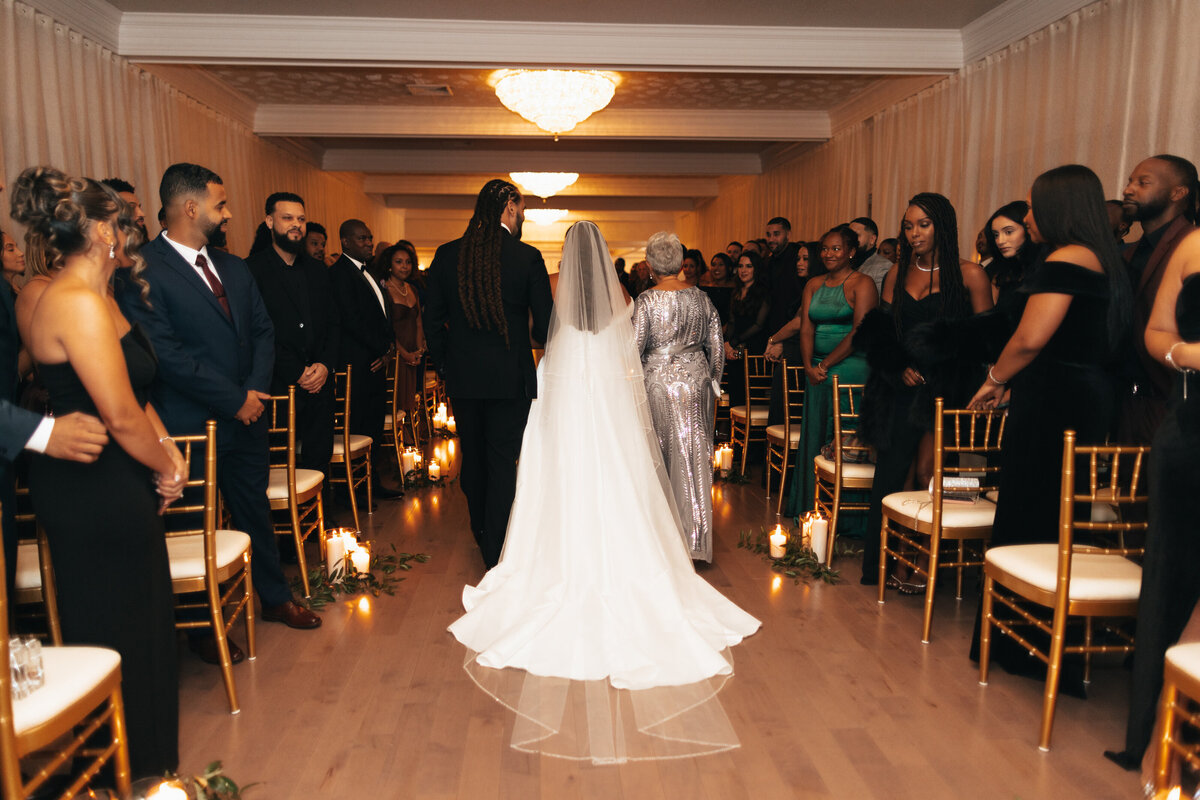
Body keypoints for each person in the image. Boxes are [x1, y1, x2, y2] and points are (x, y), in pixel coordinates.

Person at [447, 220, 760, 763]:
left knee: (563, 481)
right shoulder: (623, 298)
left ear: (567, 258)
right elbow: (627, 361)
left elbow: (546, 348)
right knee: (618, 482)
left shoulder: (553, 297)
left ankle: (560, 561)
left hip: (565, 403)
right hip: (609, 410)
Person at [12, 166, 185, 777]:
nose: (131, 231)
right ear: (102, 230)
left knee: (145, 621)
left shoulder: (103, 298)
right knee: (116, 624)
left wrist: (171, 453)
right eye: (122, 222)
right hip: (89, 482)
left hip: (120, 473)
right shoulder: (73, 302)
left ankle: (151, 769)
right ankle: (122, 772)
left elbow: (138, 397)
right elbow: (116, 415)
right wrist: (163, 463)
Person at [116, 162, 322, 643]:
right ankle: (204, 629)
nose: (228, 215)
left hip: (246, 420)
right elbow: (164, 353)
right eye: (220, 204)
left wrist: (252, 394)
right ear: (191, 208)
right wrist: (234, 399)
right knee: (193, 524)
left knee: (255, 514)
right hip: (187, 425)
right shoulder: (142, 270)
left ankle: (275, 598)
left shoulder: (234, 267)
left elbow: (263, 331)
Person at [967, 164, 1131, 676]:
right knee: (1056, 513)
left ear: (1058, 208)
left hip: (1055, 402)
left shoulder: (1065, 258)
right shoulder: (1103, 258)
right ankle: (1041, 641)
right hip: (1080, 396)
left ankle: (1026, 644)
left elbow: (1031, 338)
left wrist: (995, 378)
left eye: (1034, 207)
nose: (1029, 216)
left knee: (1032, 509)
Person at [857, 192, 993, 586]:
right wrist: (898, 366)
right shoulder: (898, 271)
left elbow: (986, 340)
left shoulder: (970, 275)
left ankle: (922, 561)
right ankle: (889, 561)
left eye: (923, 225)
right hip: (898, 389)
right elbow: (881, 332)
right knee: (894, 475)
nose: (913, 233)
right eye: (908, 225)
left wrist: (943, 359)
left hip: (944, 390)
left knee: (929, 475)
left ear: (943, 227)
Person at [1107, 227, 1200, 772]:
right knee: (1174, 571)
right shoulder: (1192, 245)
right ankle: (1162, 732)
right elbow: (1155, 333)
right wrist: (1188, 352)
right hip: (1192, 425)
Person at [423, 179, 552, 568]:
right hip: (510, 378)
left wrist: (445, 365)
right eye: (523, 209)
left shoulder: (447, 256)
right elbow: (545, 327)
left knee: (473, 457)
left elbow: (432, 322)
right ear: (510, 207)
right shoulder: (526, 257)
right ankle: (494, 548)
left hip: (463, 377)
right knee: (501, 460)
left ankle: (482, 530)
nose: (524, 216)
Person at [634, 231, 724, 562]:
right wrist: (713, 380)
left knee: (660, 454)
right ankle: (695, 541)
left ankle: (662, 542)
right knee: (697, 456)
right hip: (697, 381)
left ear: (649, 265)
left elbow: (634, 347)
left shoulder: (646, 301)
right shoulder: (702, 298)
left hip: (657, 382)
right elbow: (716, 342)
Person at [778, 226, 876, 517]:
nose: (829, 254)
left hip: (850, 370)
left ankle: (846, 515)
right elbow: (807, 327)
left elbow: (861, 331)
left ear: (851, 252)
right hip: (816, 372)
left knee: (843, 439)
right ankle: (812, 507)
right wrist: (809, 365)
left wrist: (825, 364)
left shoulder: (863, 282)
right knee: (815, 435)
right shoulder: (813, 284)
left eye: (836, 249)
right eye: (825, 249)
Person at [246, 192, 338, 476]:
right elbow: (256, 332)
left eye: (301, 219)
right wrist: (297, 371)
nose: (296, 225)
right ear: (270, 221)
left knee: (319, 457)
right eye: (287, 218)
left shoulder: (318, 270)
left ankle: (324, 515)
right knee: (276, 466)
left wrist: (324, 364)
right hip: (277, 384)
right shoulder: (251, 270)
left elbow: (334, 323)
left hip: (320, 384)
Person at [1118, 154, 1198, 446]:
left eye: (1143, 182)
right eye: (1129, 182)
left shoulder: (1190, 244)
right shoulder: (1128, 252)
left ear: (1178, 192)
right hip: (1131, 402)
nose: (1128, 189)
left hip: (1176, 399)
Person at [329, 218, 403, 499]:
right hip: (357, 364)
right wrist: (381, 350)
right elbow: (351, 320)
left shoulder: (368, 272)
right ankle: (354, 492)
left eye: (370, 238)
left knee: (372, 426)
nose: (369, 243)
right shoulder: (338, 275)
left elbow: (384, 316)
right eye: (361, 239)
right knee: (358, 427)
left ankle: (371, 484)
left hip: (375, 362)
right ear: (345, 242)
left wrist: (387, 349)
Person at [381, 241, 425, 419]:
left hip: (413, 355)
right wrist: (405, 354)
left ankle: (409, 441)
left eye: (408, 262)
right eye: (399, 262)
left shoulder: (411, 288)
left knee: (410, 399)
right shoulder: (384, 289)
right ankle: (399, 444)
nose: (404, 266)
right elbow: (387, 329)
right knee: (396, 402)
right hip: (395, 355)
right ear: (389, 265)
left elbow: (419, 322)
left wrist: (419, 350)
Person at [849, 217, 892, 294]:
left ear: (872, 239)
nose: (850, 240)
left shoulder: (883, 267)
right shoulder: (844, 262)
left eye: (856, 235)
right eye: (848, 235)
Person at [701, 251, 736, 326]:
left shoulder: (734, 289)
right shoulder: (705, 288)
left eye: (721, 265)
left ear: (729, 268)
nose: (716, 268)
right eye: (713, 265)